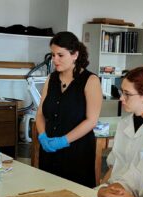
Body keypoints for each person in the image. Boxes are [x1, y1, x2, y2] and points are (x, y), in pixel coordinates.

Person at [35, 31, 102, 188]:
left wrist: (64, 140)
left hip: (77, 152)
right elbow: (40, 114)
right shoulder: (51, 79)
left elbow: (91, 121)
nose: (55, 60)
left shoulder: (90, 80)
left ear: (75, 55)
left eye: (60, 55)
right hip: (49, 149)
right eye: (52, 55)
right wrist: (43, 136)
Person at [103, 67, 143, 183]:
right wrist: (99, 190)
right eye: (122, 92)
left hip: (136, 195)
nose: (121, 98)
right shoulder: (124, 123)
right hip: (114, 188)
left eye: (127, 94)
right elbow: (113, 166)